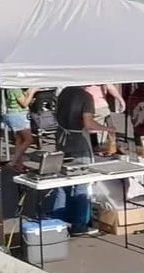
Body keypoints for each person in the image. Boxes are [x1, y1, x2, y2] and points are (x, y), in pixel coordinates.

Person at [53, 85, 115, 236]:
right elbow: (89, 123)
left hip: (61, 140)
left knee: (63, 183)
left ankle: (58, 223)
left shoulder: (64, 92)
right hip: (78, 141)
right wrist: (108, 129)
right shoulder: (85, 96)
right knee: (82, 184)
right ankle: (79, 225)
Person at [1, 87, 37, 168]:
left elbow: (20, 100)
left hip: (13, 115)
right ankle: (13, 162)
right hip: (19, 116)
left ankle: (19, 164)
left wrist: (27, 94)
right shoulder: (15, 89)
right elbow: (24, 104)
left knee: (19, 140)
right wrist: (32, 92)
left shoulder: (11, 88)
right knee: (28, 139)